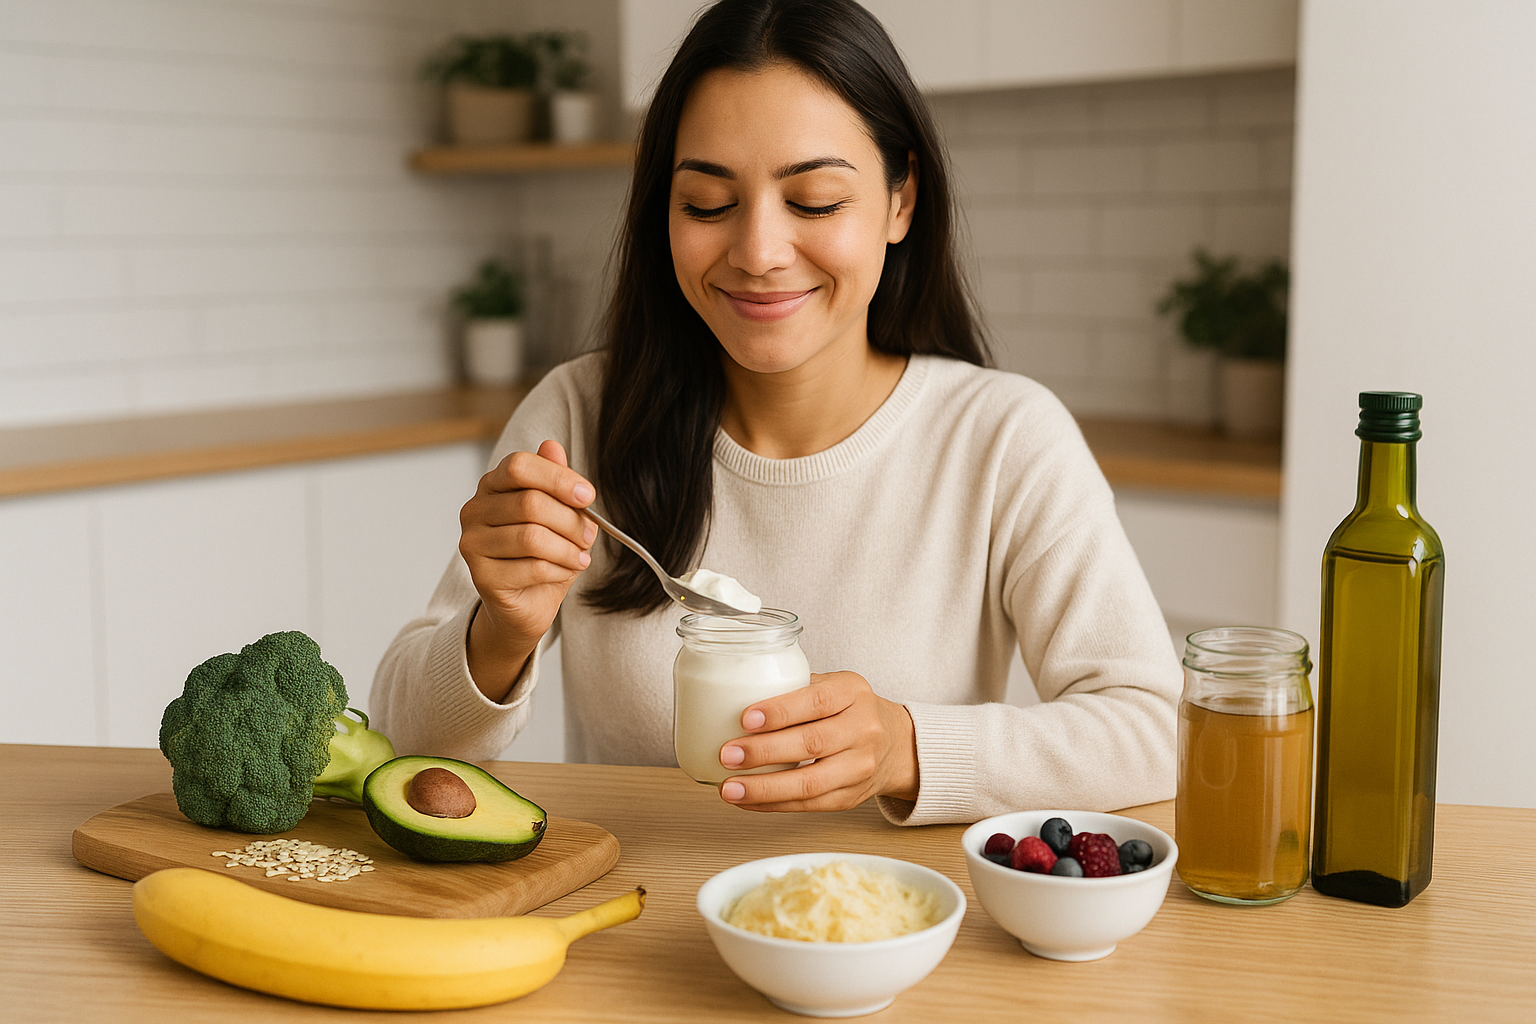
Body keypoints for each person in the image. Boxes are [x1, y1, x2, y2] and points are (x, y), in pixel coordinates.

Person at [372, 0, 1180, 826]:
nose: (758, 252)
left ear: (901, 203)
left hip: (893, 938)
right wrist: (499, 632)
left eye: (817, 201)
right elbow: (406, 748)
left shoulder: (1002, 438)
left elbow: (1156, 727)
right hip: (632, 927)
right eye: (707, 204)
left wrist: (908, 748)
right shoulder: (578, 418)